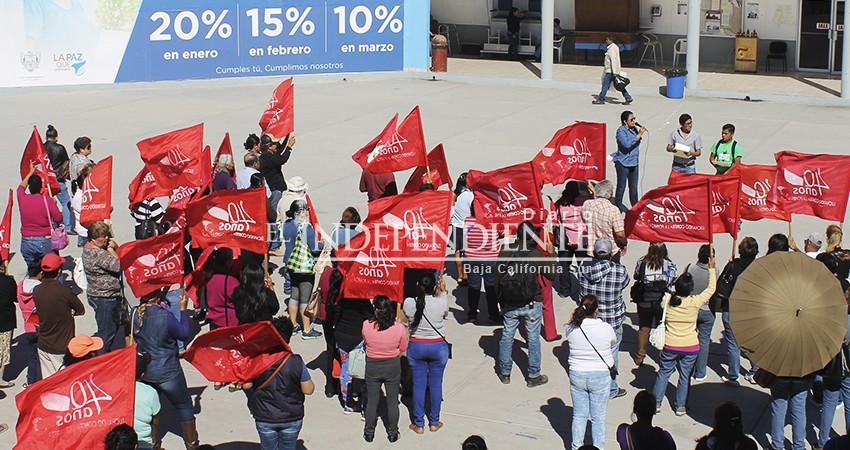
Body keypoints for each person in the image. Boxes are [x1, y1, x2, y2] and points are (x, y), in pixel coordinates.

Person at [132, 289, 198, 449]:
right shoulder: (165, 316)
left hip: (145, 371)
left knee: (152, 408)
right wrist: (182, 310)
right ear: (159, 296)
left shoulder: (134, 313)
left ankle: (154, 444)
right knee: (184, 406)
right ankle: (192, 445)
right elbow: (183, 334)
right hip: (168, 371)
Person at [652, 253, 716, 416]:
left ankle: (656, 403)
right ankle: (680, 406)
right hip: (690, 346)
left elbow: (665, 290)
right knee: (685, 376)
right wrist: (712, 269)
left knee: (664, 373)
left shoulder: (667, 300)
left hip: (670, 345)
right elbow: (712, 289)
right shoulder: (695, 302)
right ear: (690, 289)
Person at [496, 221, 557, 387]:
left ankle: (505, 372)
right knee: (533, 338)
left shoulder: (506, 250)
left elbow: (497, 278)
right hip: (532, 302)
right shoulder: (536, 254)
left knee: (507, 335)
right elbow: (551, 275)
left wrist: (500, 301)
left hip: (510, 302)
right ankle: (533, 375)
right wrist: (551, 255)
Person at [243, 317, 314, 450]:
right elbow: (308, 389)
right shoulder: (295, 361)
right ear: (288, 338)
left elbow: (246, 385)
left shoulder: (258, 359)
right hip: (291, 416)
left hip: (264, 415)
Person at [578, 238, 630, 399]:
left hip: (590, 321)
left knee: (591, 352)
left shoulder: (583, 268)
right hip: (612, 320)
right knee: (611, 354)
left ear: (594, 253)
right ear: (610, 254)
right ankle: (611, 389)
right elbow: (625, 283)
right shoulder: (619, 271)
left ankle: (590, 384)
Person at [567, 295, 615, 450]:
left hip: (577, 374)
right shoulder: (606, 328)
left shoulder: (571, 328)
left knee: (579, 416)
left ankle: (576, 447)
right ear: (597, 311)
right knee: (598, 418)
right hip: (600, 376)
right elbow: (612, 341)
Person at [403, 273, 449, 434]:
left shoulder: (409, 303)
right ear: (434, 287)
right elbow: (445, 313)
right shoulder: (441, 302)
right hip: (438, 346)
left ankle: (419, 423)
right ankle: (434, 422)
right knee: (436, 385)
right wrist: (443, 291)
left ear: (417, 285)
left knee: (418, 385)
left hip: (417, 347)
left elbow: (409, 312)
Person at [362, 295, 409, 443]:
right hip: (392, 366)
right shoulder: (398, 327)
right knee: (392, 401)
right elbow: (403, 347)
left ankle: (369, 432)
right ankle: (393, 432)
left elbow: (365, 340)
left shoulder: (366, 325)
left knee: (372, 401)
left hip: (372, 366)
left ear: (375, 309)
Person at [715, 237, 759, 386]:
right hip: (750, 311)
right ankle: (755, 371)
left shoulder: (733, 266)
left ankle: (734, 376)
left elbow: (720, 284)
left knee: (733, 344)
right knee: (752, 342)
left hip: (731, 308)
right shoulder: (758, 267)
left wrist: (730, 264)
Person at [817, 253, 850, 449]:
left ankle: (822, 441)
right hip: (848, 364)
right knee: (848, 399)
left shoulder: (835, 316)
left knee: (829, 401)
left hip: (834, 362)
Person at [33, 253, 85, 378]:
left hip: (43, 344)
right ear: (59, 272)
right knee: (63, 381)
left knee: (48, 381)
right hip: (61, 346)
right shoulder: (64, 291)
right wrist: (71, 311)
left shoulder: (37, 290)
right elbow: (81, 309)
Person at [282, 199, 323, 339]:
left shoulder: (286, 225)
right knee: (305, 298)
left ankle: (292, 325)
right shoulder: (306, 228)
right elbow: (315, 248)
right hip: (304, 267)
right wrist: (321, 245)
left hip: (291, 264)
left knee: (294, 295)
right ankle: (307, 329)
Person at [632, 243, 677, 366]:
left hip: (644, 300)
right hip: (661, 301)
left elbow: (636, 275)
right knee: (661, 327)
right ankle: (663, 356)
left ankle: (640, 356)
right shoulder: (669, 264)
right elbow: (673, 280)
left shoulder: (642, 261)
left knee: (644, 328)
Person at [83, 221, 122, 354]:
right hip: (104, 297)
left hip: (97, 294)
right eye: (102, 236)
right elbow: (118, 266)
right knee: (106, 332)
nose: (106, 239)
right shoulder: (98, 254)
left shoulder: (88, 248)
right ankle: (102, 358)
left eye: (107, 235)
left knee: (109, 328)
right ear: (93, 239)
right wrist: (112, 249)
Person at [334, 293, 373, 415]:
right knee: (362, 371)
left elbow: (335, 315)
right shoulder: (363, 300)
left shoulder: (341, 299)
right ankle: (364, 406)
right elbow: (370, 318)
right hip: (357, 338)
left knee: (345, 369)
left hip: (342, 337)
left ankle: (347, 403)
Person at [18, 161, 62, 266]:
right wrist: (54, 204)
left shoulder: (22, 198)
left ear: (29, 186)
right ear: (41, 187)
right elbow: (58, 218)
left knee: (33, 271)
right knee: (53, 267)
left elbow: (20, 188)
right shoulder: (47, 200)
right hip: (44, 239)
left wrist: (30, 173)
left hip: (26, 241)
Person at [463, 207, 501, 324]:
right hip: (490, 258)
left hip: (471, 258)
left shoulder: (468, 221)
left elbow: (465, 237)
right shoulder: (494, 221)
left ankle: (472, 314)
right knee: (491, 287)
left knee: (474, 286)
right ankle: (493, 315)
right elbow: (502, 233)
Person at [260, 134, 293, 256]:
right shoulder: (268, 157)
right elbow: (282, 159)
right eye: (274, 144)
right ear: (269, 146)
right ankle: (274, 245)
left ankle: (273, 244)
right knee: (274, 217)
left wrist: (286, 139)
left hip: (275, 189)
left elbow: (278, 154)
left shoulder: (268, 155)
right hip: (275, 191)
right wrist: (289, 147)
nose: (277, 145)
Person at [582, 180, 628, 263]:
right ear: (610, 194)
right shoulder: (613, 210)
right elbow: (620, 235)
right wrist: (624, 243)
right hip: (611, 251)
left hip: (592, 250)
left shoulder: (587, 204)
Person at [770, 368, 814, 450]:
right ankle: (799, 446)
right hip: (802, 375)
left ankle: (777, 445)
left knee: (778, 410)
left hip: (780, 374)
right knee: (799, 410)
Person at [16, 258, 42, 387]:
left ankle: (31, 381)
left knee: (32, 356)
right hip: (40, 326)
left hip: (28, 327)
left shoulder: (20, 285)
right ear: (40, 273)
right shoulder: (39, 288)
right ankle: (40, 381)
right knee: (43, 357)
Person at [690, 244, 715, 381]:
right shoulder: (714, 270)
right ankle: (700, 372)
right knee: (704, 341)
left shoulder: (691, 269)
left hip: (693, 309)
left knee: (692, 339)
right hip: (707, 310)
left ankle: (689, 367)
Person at [612, 111, 645, 212]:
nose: (634, 121)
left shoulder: (634, 129)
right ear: (625, 121)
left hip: (634, 163)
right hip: (623, 163)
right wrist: (638, 135)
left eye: (634, 118)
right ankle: (618, 207)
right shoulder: (621, 131)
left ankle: (636, 209)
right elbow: (626, 145)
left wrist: (638, 134)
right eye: (631, 119)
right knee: (621, 187)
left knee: (633, 188)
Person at [44, 124, 74, 232]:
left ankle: (49, 223)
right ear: (56, 137)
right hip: (58, 179)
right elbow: (66, 162)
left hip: (46, 180)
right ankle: (68, 226)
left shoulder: (41, 148)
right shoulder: (60, 148)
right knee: (66, 202)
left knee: (46, 202)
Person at [203, 248, 239, 329]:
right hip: (230, 322)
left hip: (214, 321)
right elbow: (239, 301)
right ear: (227, 262)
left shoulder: (208, 278)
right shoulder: (231, 281)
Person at [593, 36, 633, 105]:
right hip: (613, 71)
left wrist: (614, 71)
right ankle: (628, 97)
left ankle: (601, 99)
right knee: (619, 85)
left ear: (611, 41)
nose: (606, 41)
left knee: (605, 85)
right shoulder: (614, 48)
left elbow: (613, 60)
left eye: (607, 40)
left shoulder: (612, 49)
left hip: (610, 71)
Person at [134, 352, 161, 450]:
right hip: (144, 443)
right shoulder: (151, 392)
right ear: (142, 374)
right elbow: (156, 420)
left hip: (120, 441)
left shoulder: (114, 389)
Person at [451, 173, 474, 285]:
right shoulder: (471, 196)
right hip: (467, 226)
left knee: (458, 252)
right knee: (467, 253)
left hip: (456, 225)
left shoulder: (454, 194)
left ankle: (460, 276)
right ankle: (466, 275)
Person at [0, 262, 16, 388]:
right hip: (5, 320)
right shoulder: (8, 281)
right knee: (4, 350)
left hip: (5, 319)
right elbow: (15, 298)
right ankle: (0, 378)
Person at [70, 164, 94, 246]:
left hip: (85, 230)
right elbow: (87, 211)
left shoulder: (81, 194)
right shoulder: (81, 197)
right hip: (85, 230)